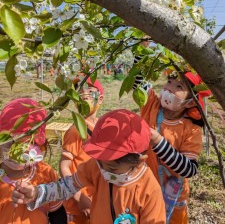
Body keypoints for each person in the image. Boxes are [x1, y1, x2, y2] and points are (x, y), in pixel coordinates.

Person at [12, 109, 166, 224]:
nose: (103, 171)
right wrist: (37, 193)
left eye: (112, 169)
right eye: (100, 162)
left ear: (138, 161)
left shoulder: (149, 191)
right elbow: (66, 187)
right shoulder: (97, 167)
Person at [133, 41, 211, 224]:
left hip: (174, 195)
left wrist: (159, 142)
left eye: (179, 87)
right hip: (146, 187)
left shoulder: (191, 128)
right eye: (169, 82)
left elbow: (189, 169)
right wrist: (142, 50)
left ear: (191, 102)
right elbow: (138, 82)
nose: (169, 88)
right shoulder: (151, 104)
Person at [0, 97, 67, 224]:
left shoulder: (45, 173)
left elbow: (57, 212)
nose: (18, 155)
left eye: (27, 146)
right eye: (11, 145)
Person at [60, 77, 104, 224]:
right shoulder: (75, 130)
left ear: (101, 98)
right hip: (77, 205)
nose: (85, 95)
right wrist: (79, 197)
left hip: (95, 199)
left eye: (90, 91)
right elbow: (64, 166)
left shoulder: (100, 126)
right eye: (80, 92)